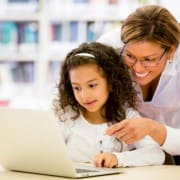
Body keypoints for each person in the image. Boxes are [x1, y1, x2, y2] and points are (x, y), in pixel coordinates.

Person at [53, 42, 165, 168]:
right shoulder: (65, 115)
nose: (84, 95)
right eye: (77, 88)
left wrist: (118, 158)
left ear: (111, 83)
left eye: (92, 85)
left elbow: (156, 154)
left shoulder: (126, 116)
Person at [97, 5, 180, 164]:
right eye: (130, 56)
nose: (137, 68)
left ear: (170, 51)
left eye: (149, 59)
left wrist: (153, 128)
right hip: (134, 152)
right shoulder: (110, 48)